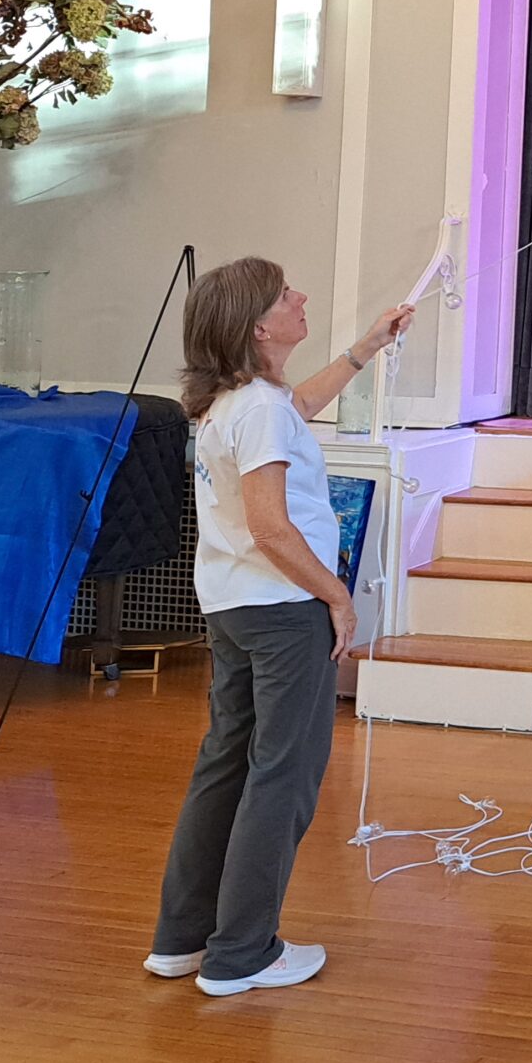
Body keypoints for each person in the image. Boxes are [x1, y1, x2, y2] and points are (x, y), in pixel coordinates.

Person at [144, 257, 413, 997]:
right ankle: (242, 955)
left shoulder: (239, 400)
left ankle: (183, 941)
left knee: (227, 766)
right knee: (281, 779)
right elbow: (271, 527)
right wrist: (338, 598)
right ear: (259, 326)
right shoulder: (256, 410)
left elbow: (294, 405)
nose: (300, 297)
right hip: (282, 612)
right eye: (285, 293)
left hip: (234, 609)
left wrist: (366, 347)